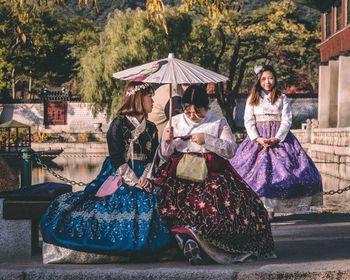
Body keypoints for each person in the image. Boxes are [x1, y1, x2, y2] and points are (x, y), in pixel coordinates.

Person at [40, 82, 170, 264]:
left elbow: (152, 158)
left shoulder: (151, 128)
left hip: (145, 175)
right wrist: (135, 181)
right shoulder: (119, 124)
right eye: (149, 95)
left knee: (159, 200)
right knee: (112, 204)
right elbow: (117, 158)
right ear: (139, 98)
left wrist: (146, 177)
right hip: (120, 173)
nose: (153, 100)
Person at [153, 84, 275, 265]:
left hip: (212, 172)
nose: (193, 116)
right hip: (179, 174)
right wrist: (166, 141)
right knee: (168, 203)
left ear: (206, 107)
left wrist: (208, 140)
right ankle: (184, 240)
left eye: (198, 112)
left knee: (224, 206)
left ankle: (204, 245)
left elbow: (231, 150)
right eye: (188, 112)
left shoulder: (218, 121)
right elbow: (164, 155)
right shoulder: (175, 121)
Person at [230, 65, 323, 220]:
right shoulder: (253, 98)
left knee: (283, 173)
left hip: (279, 139)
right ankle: (258, 210)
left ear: (275, 79)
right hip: (258, 139)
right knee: (255, 174)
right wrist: (258, 138)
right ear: (259, 80)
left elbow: (287, 120)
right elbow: (248, 120)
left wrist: (277, 138)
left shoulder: (282, 98)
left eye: (270, 78)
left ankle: (271, 210)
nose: (267, 81)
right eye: (264, 78)